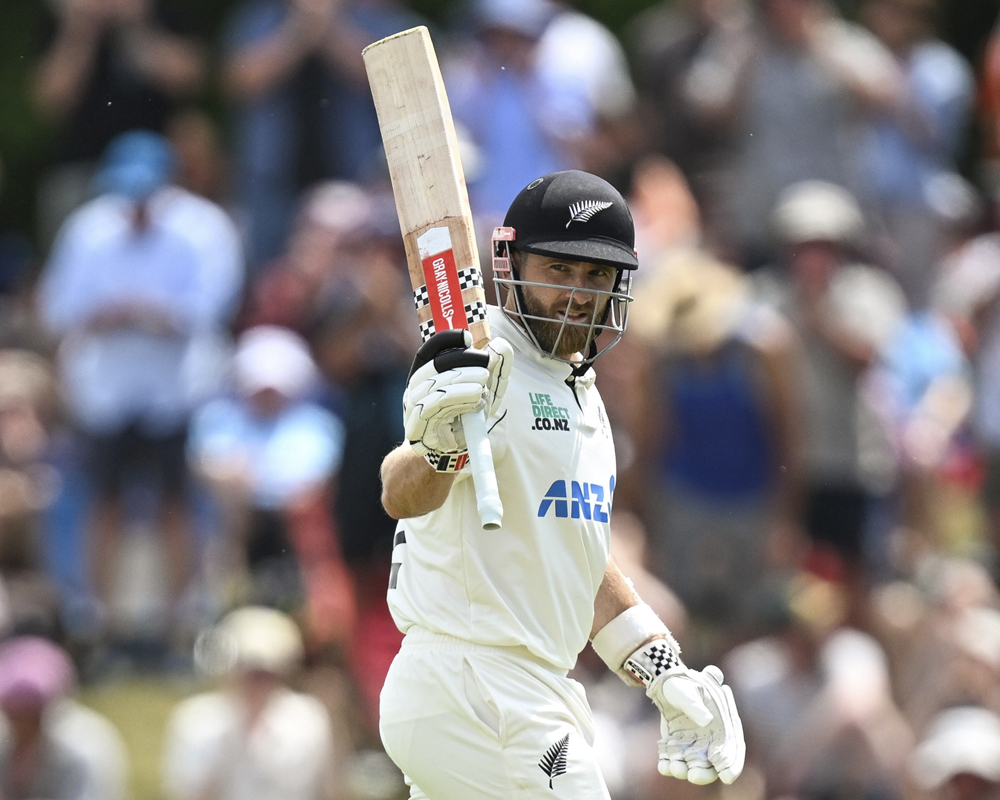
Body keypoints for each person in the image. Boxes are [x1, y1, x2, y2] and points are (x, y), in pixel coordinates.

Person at [378, 170, 745, 799]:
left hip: (520, 688)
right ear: (512, 262)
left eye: (595, 276)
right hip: (474, 682)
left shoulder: (578, 390)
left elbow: (575, 560)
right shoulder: (475, 358)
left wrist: (665, 674)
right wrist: (439, 447)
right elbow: (399, 490)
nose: (577, 294)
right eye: (558, 269)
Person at [162, 606, 340, 800]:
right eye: (249, 670)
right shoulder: (197, 722)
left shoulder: (308, 719)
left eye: (266, 673)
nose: (257, 682)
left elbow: (328, 791)